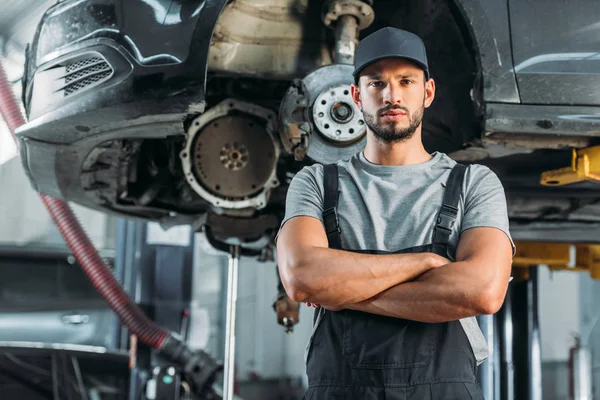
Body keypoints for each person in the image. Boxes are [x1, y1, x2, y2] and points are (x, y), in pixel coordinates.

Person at [276, 26, 514, 399]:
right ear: (356, 95)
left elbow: (482, 292)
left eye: (406, 81)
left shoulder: (474, 184)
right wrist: (425, 262)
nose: (392, 95)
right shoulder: (317, 183)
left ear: (428, 92)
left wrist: (341, 291)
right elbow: (304, 278)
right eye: (376, 83)